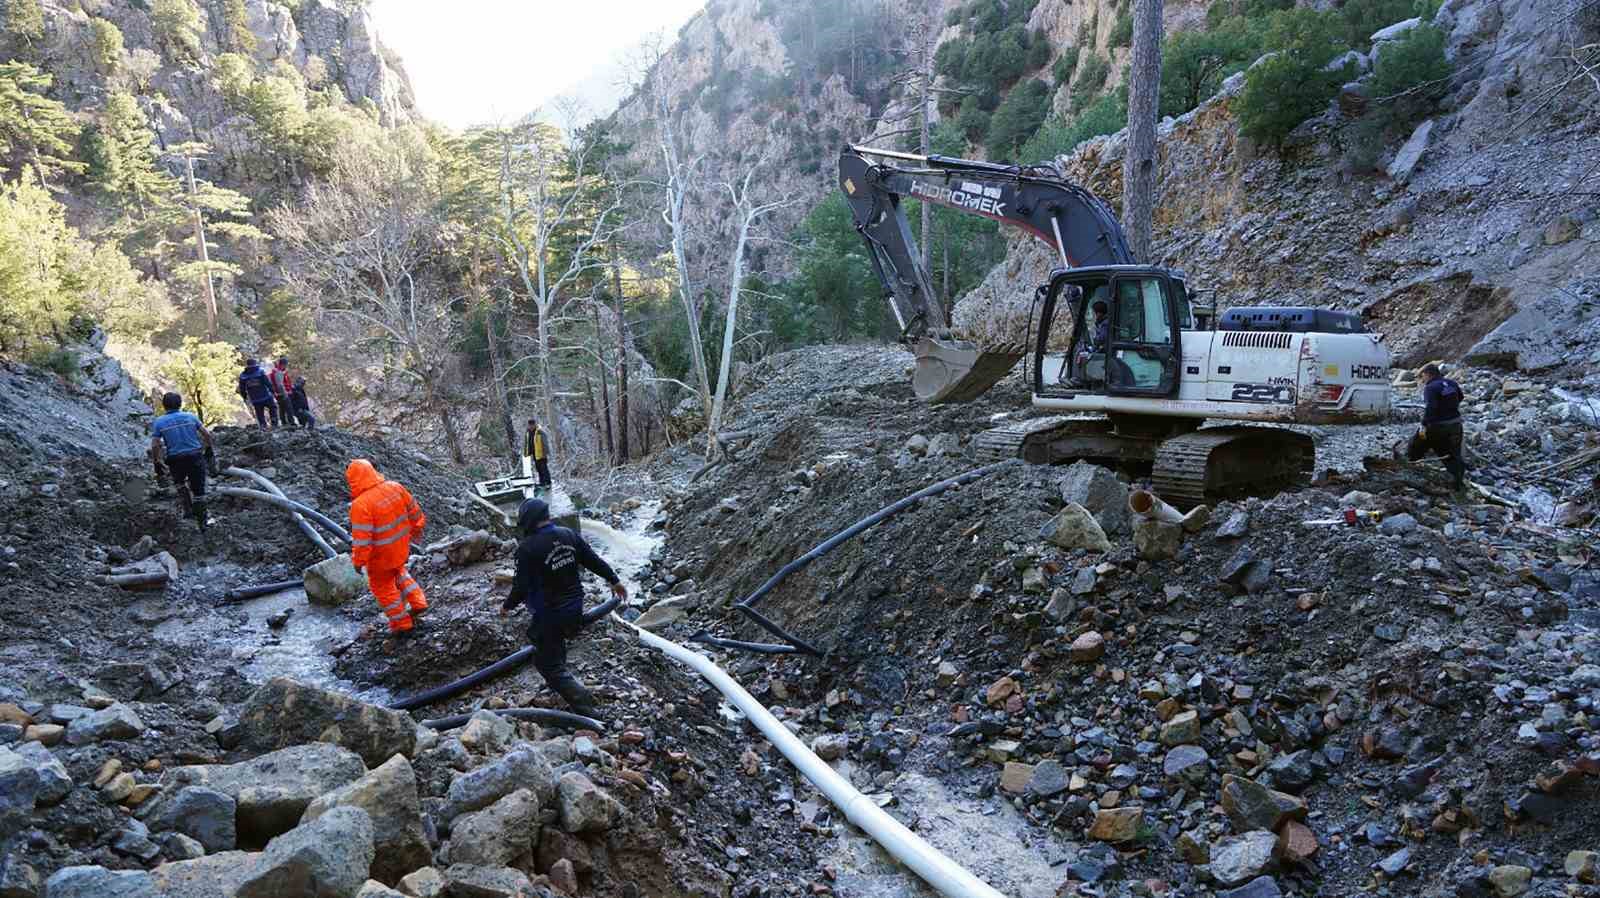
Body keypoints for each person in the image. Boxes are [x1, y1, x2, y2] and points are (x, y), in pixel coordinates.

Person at [500, 498, 626, 717]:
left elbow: (521, 586)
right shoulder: (568, 535)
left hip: (550, 613)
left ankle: (586, 708)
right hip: (575, 606)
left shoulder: (527, 549)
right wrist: (614, 580)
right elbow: (592, 560)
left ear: (528, 521)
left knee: (545, 662)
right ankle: (561, 682)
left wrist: (507, 606)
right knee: (551, 646)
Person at [346, 459, 430, 635]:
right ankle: (418, 602)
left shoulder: (360, 505)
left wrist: (358, 562)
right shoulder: (394, 487)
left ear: (353, 479)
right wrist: (417, 529)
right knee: (399, 572)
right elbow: (414, 510)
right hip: (400, 548)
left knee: (383, 588)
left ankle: (402, 623)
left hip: (381, 558)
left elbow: (362, 541)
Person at [149, 391, 218, 530]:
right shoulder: (190, 417)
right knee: (199, 491)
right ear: (180, 404)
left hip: (175, 459)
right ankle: (203, 520)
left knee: (180, 484)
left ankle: (188, 510)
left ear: (164, 406)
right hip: (195, 456)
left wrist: (157, 460)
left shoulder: (159, 422)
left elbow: (156, 445)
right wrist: (208, 449)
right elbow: (206, 434)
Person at [1409, 363, 1468, 488]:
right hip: (1456, 424)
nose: (1422, 379)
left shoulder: (1430, 387)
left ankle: (1409, 469)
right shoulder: (1451, 383)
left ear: (1427, 374)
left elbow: (1431, 407)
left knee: (1415, 446)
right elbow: (1461, 397)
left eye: (1422, 376)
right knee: (1453, 454)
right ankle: (1458, 483)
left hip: (1439, 426)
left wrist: (1424, 424)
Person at [237, 358, 278, 429]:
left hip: (254, 398)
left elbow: (242, 389)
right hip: (266, 395)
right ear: (255, 364)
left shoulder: (243, 376)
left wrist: (245, 397)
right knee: (273, 407)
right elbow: (267, 383)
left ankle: (263, 426)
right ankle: (274, 423)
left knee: (259, 413)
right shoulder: (260, 371)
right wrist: (273, 391)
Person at [523, 418, 552, 490]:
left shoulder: (540, 432)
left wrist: (546, 452)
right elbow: (527, 443)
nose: (531, 426)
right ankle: (542, 483)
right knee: (538, 469)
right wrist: (526, 452)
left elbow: (545, 442)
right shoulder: (528, 432)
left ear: (535, 424)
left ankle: (548, 483)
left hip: (542, 454)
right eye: (530, 425)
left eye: (532, 425)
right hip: (534, 454)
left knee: (544, 469)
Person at [268, 357, 295, 428]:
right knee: (289, 408)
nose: (286, 366)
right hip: (282, 394)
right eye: (286, 364)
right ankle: (291, 423)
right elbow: (280, 384)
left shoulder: (276, 371)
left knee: (282, 408)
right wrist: (285, 393)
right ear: (283, 364)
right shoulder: (278, 372)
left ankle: (284, 423)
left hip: (278, 394)